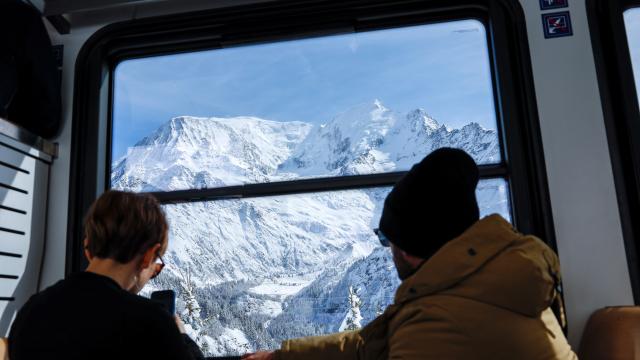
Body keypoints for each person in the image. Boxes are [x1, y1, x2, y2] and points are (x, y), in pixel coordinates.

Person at [243, 148, 577, 360]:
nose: (387, 251)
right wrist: (282, 356)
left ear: (408, 250)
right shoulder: (505, 282)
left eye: (386, 239)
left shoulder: (435, 319)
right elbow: (370, 344)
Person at [8, 191, 204, 360]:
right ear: (147, 256)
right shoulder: (150, 324)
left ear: (88, 250)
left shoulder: (32, 310)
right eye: (156, 267)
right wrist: (182, 337)